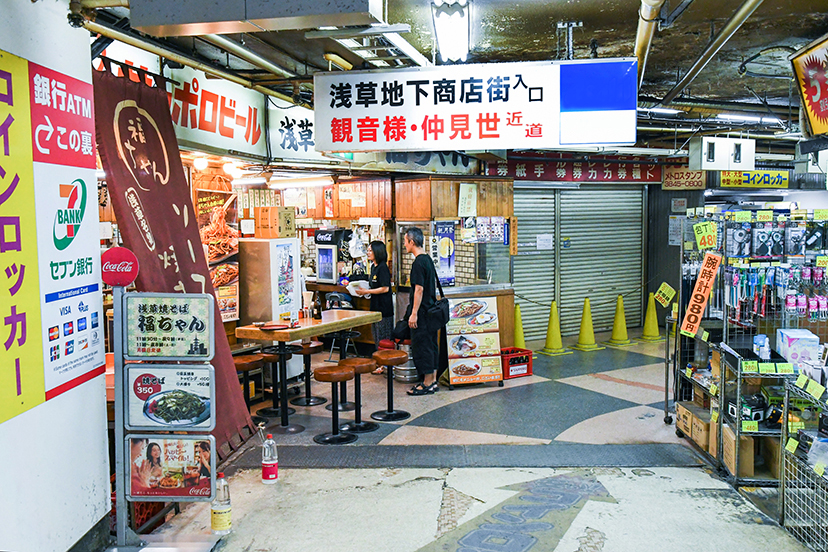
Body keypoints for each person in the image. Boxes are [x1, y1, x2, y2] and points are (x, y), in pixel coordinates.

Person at [403, 227, 440, 395]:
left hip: (423, 313)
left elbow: (419, 289)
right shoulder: (428, 260)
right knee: (431, 345)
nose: (404, 245)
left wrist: (414, 313)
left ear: (412, 242)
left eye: (405, 241)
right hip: (431, 310)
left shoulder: (418, 262)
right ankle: (432, 381)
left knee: (423, 346)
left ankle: (426, 383)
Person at [354, 241, 394, 373]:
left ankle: (386, 365)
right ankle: (379, 363)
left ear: (378, 252)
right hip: (374, 307)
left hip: (384, 309)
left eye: (370, 250)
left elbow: (385, 288)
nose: (368, 252)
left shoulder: (383, 268)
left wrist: (367, 292)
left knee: (383, 337)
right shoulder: (373, 267)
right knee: (376, 336)